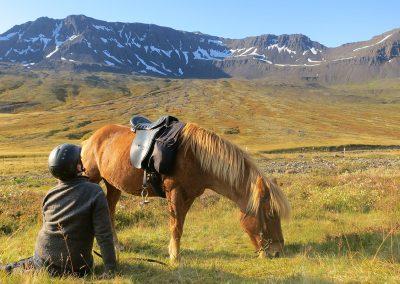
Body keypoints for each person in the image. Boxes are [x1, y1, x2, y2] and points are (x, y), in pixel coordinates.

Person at [0, 144, 117, 277]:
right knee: (21, 266)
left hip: (43, 260)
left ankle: (13, 269)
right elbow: (104, 234)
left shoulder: (50, 194)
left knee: (18, 266)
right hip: (79, 268)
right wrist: (110, 269)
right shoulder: (95, 192)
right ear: (78, 167)